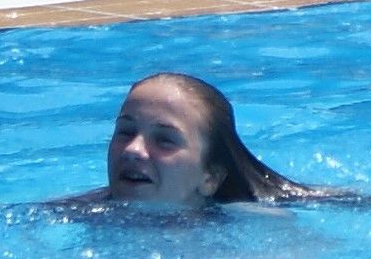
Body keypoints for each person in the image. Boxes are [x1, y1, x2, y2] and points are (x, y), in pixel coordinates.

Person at [74, 73, 333, 210]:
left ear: (210, 179)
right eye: (125, 132)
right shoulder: (66, 216)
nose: (133, 150)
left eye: (165, 140)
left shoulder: (260, 231)